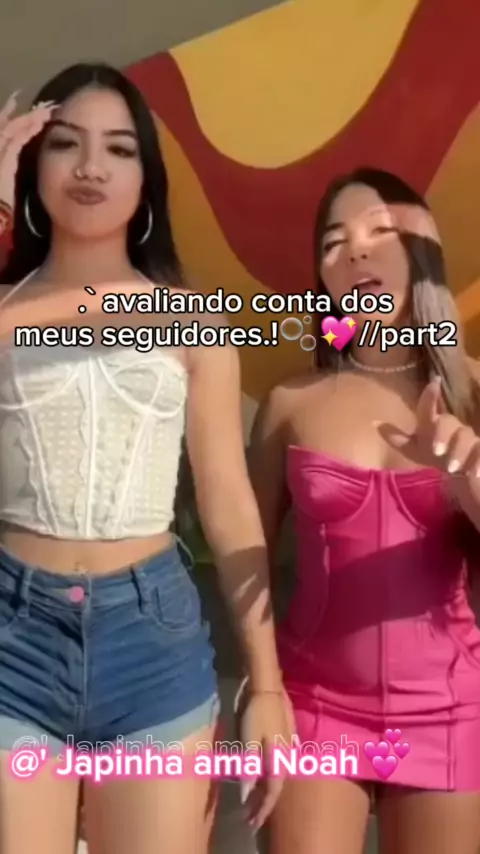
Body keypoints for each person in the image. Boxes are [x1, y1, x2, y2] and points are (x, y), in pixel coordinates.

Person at [0, 65, 293, 854]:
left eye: (119, 149)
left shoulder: (193, 322)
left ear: (146, 179)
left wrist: (266, 683)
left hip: (151, 640)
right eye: (66, 144)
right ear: (32, 166)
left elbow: (228, 503)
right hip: (10, 638)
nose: (91, 167)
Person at [249, 167, 480, 854]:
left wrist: (468, 476)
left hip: (451, 709)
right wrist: (261, 691)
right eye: (334, 243)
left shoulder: (475, 392)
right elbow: (247, 559)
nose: (354, 251)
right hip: (313, 706)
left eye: (379, 231)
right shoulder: (290, 402)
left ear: (422, 251)